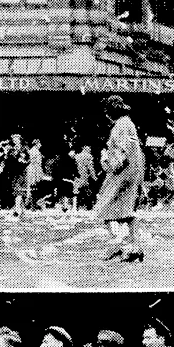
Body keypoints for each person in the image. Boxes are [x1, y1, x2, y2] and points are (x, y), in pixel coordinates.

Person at [94, 95, 146, 262]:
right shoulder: (129, 123)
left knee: (104, 207)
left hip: (121, 174)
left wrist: (105, 161)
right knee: (127, 211)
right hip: (133, 172)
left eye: (107, 111)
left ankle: (118, 245)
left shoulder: (120, 126)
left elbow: (121, 153)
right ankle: (135, 247)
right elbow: (135, 151)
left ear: (111, 110)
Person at [72, 142, 98, 210]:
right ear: (85, 147)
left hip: (77, 177)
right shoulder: (89, 156)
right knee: (88, 191)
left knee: (76, 192)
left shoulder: (76, 156)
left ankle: (75, 207)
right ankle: (90, 207)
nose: (90, 149)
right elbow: (91, 168)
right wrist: (95, 177)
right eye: (89, 148)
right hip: (84, 176)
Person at [25, 139, 45, 210]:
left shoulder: (36, 151)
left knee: (34, 188)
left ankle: (32, 204)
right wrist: (36, 175)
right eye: (39, 144)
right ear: (36, 144)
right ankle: (30, 204)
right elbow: (33, 161)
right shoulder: (34, 151)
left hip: (36, 169)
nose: (41, 145)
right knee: (32, 187)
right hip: (33, 170)